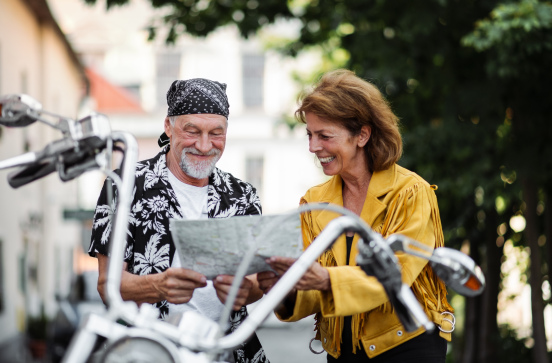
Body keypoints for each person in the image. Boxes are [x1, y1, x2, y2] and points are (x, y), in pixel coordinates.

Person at [257, 69, 454, 362]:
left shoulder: (411, 192)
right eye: (310, 135)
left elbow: (394, 277)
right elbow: (315, 288)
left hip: (407, 348)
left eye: (324, 136)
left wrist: (323, 278)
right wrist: (284, 289)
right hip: (342, 353)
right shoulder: (314, 201)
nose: (313, 147)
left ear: (362, 134)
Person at [88, 78, 268, 363]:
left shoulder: (242, 195)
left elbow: (258, 283)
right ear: (169, 127)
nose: (205, 145)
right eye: (192, 131)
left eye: (216, 133)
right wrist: (159, 285)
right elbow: (107, 285)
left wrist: (247, 291)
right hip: (149, 351)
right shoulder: (124, 184)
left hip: (226, 351)